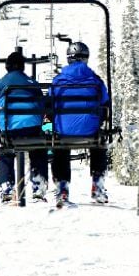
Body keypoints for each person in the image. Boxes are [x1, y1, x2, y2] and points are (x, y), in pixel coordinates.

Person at [50, 42, 110, 204]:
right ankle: (97, 185)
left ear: (69, 59)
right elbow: (105, 101)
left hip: (64, 130)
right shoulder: (96, 81)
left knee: (60, 146)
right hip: (90, 130)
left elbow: (50, 103)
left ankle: (62, 187)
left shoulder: (58, 81)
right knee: (99, 142)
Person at [0, 51, 50, 202]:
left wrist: (3, 121)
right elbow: (42, 108)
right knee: (38, 150)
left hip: (11, 132)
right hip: (33, 131)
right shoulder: (33, 84)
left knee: (6, 152)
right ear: (23, 67)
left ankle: (6, 187)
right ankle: (38, 185)